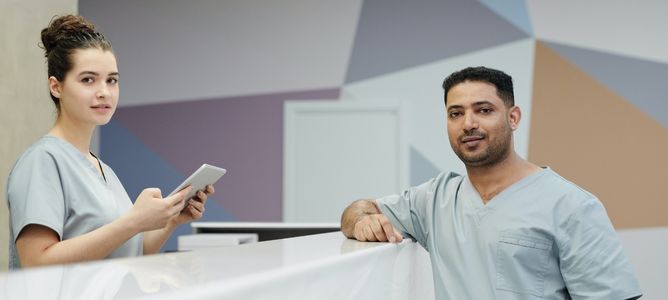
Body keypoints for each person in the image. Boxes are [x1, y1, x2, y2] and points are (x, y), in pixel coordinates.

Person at [341, 67, 642, 299]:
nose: (469, 123)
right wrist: (361, 222)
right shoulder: (434, 200)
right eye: (456, 113)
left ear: (513, 118)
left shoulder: (572, 206)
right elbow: (356, 210)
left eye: (484, 110)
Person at [6, 15, 214, 269]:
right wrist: (133, 222)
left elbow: (129, 253)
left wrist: (170, 220)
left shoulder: (103, 170)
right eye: (88, 80)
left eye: (111, 80)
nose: (104, 91)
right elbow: (36, 263)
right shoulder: (42, 161)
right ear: (56, 87)